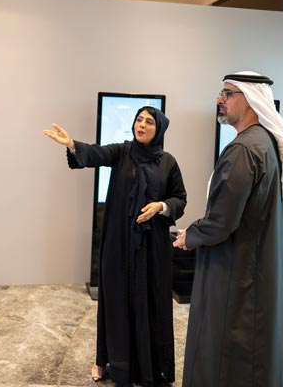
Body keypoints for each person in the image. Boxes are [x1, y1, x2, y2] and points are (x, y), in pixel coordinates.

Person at [174, 71, 283, 387]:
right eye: (221, 93)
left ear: (251, 99)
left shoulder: (244, 149)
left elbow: (221, 220)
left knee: (225, 348)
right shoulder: (262, 142)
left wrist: (191, 235)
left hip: (236, 267)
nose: (220, 100)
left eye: (228, 93)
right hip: (251, 264)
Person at [43, 106, 187, 386]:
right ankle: (111, 362)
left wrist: (160, 206)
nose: (141, 125)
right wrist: (72, 144)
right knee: (116, 302)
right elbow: (97, 153)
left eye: (149, 122)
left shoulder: (168, 162)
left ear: (159, 129)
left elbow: (179, 199)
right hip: (119, 244)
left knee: (151, 303)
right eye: (138, 120)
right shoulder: (122, 152)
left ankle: (151, 368)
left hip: (152, 249)